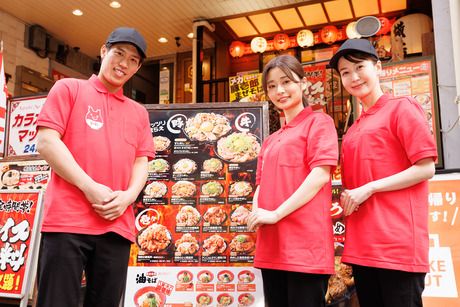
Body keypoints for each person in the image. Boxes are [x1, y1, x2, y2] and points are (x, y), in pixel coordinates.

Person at [35, 27, 155, 307]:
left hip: (117, 224)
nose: (124, 63)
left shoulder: (139, 112)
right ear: (104, 51)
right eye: (119, 53)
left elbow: (142, 161)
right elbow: (46, 142)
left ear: (137, 67)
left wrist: (127, 197)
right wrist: (89, 188)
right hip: (67, 221)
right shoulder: (69, 89)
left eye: (133, 60)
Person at [329, 38, 437, 307]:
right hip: (362, 248)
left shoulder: (402, 107)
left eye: (359, 67)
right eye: (345, 72)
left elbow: (426, 167)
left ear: (378, 68)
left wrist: (371, 187)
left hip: (396, 246)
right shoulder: (352, 130)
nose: (353, 77)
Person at [247, 54, 338, 306]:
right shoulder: (270, 140)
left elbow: (320, 174)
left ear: (303, 84)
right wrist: (256, 212)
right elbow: (261, 184)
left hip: (305, 248)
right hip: (271, 245)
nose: (280, 90)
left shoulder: (319, 122)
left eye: (286, 82)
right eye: (272, 86)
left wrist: (275, 214)